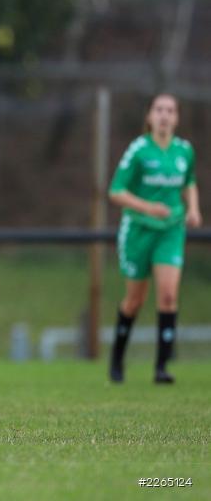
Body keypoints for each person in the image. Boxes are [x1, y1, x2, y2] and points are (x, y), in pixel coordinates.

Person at [108, 93, 201, 384]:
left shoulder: (184, 151)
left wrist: (194, 209)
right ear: (149, 116)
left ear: (177, 117)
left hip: (171, 231)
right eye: (159, 109)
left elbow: (189, 183)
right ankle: (117, 360)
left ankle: (161, 368)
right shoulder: (138, 150)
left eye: (170, 110)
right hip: (139, 231)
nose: (164, 115)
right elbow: (116, 191)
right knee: (135, 300)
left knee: (169, 296)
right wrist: (149, 207)